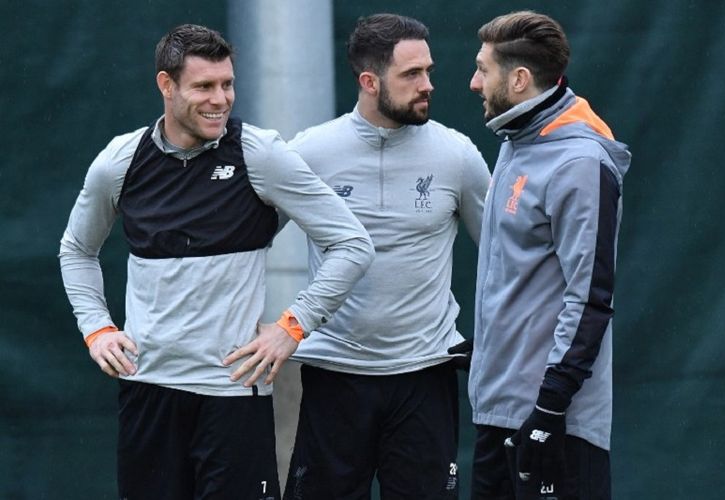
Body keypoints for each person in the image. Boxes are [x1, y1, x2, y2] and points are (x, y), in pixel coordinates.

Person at [58, 24, 374, 500]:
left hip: (233, 398)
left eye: (227, 84)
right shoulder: (119, 162)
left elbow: (352, 243)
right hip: (149, 394)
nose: (220, 99)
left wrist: (293, 325)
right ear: (166, 86)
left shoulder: (259, 154)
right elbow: (77, 250)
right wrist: (97, 328)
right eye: (204, 86)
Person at [282, 13, 490, 500]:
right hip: (334, 376)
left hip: (426, 377)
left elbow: (504, 257)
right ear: (369, 82)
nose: (428, 85)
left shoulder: (456, 155)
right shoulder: (310, 152)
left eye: (428, 71)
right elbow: (247, 237)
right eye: (412, 75)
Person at [467, 11, 631, 500]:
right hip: (497, 412)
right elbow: (522, 279)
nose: (474, 82)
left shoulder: (580, 163)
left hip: (551, 424)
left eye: (483, 69)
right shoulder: (517, 141)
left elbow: (590, 297)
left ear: (518, 80)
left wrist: (552, 407)